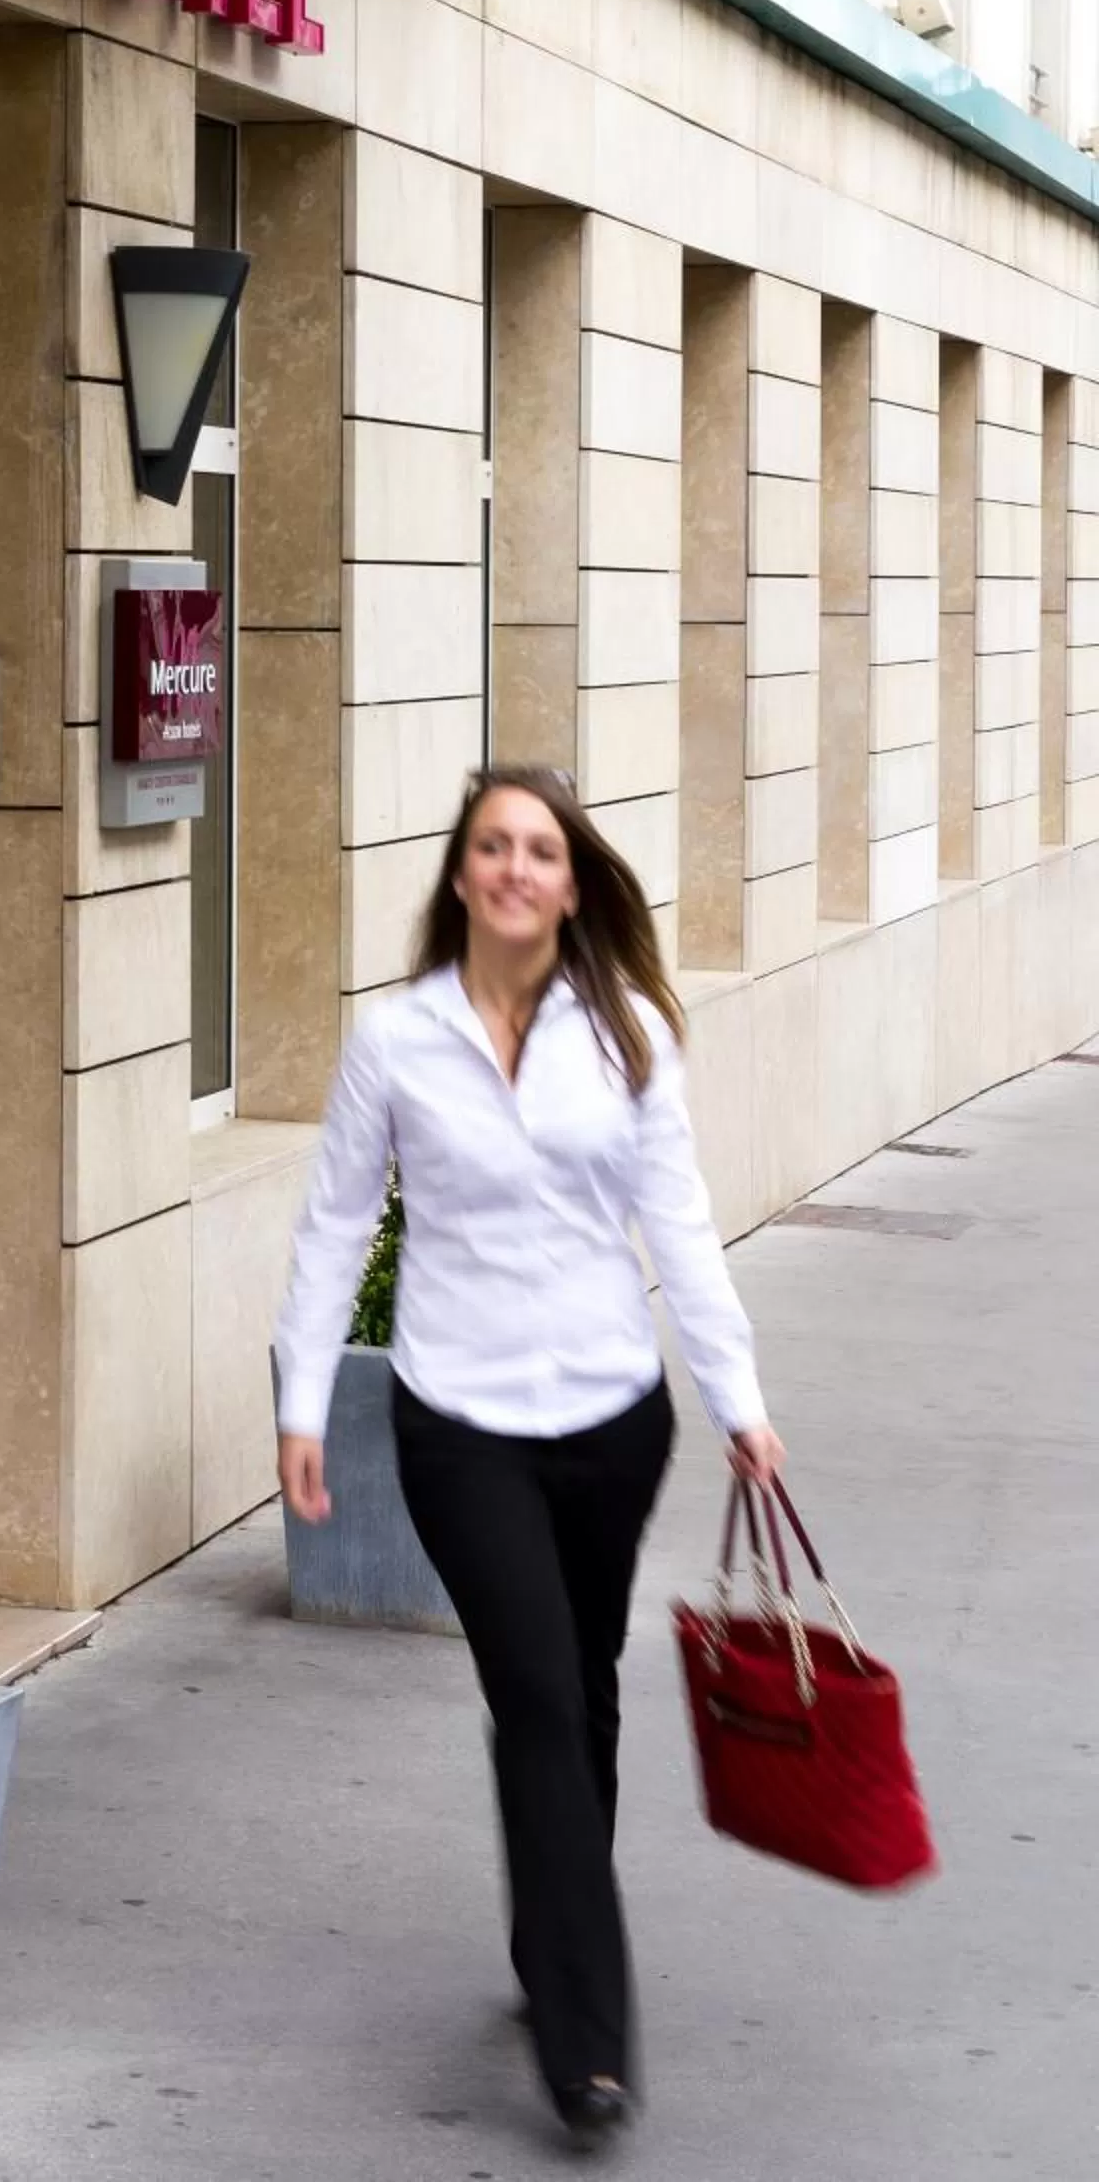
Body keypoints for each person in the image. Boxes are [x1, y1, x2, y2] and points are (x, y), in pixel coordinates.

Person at [274, 764, 784, 2149]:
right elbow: (334, 1227)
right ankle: (586, 2040)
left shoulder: (624, 1038)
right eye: (491, 847)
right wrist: (304, 1403)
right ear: (459, 875)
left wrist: (739, 1398)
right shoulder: (397, 1043)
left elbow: (678, 1223)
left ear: (572, 881)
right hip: (460, 1422)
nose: (513, 869)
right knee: (540, 1697)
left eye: (539, 850)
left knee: (587, 1693)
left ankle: (549, 1923)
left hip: (613, 1419)